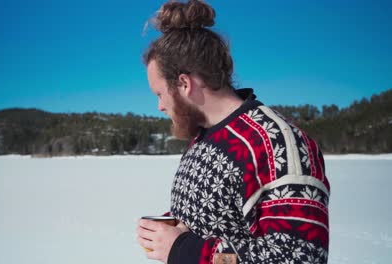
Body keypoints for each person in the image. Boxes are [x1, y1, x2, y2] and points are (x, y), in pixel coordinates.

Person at [136, 1, 330, 263]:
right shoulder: (203, 139)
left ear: (184, 83)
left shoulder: (278, 144)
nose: (159, 106)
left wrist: (183, 249)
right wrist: (169, 232)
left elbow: (301, 256)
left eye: (159, 93)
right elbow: (213, 223)